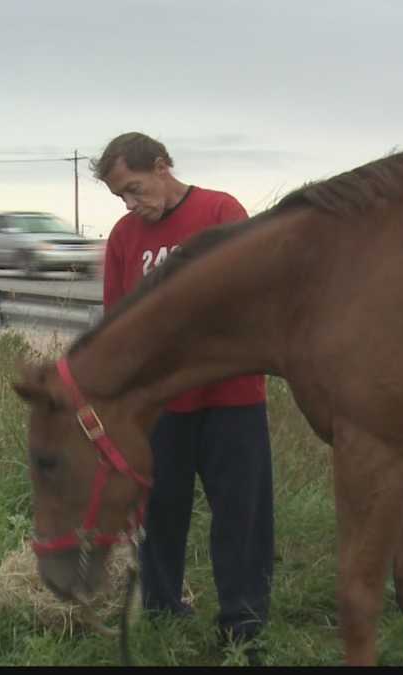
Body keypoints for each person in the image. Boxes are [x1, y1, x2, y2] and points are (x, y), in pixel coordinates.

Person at [90, 132, 275, 651]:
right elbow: (117, 321)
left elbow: (249, 294)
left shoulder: (221, 212)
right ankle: (163, 608)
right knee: (159, 512)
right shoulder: (125, 237)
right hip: (160, 406)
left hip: (231, 399)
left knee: (241, 515)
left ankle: (242, 623)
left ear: (162, 166)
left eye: (134, 188)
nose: (130, 203)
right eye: (120, 197)